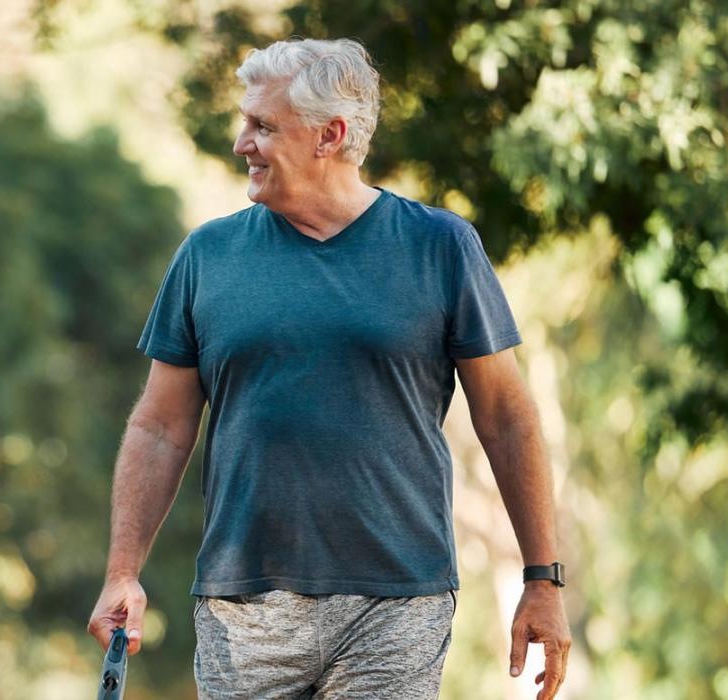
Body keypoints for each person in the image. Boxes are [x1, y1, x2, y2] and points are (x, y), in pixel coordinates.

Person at [85, 38, 572, 699]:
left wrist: (541, 578)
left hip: (396, 603)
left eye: (262, 126)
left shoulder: (440, 248)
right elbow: (159, 427)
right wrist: (122, 571)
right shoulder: (209, 256)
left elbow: (507, 418)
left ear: (329, 135)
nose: (241, 143)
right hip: (244, 610)